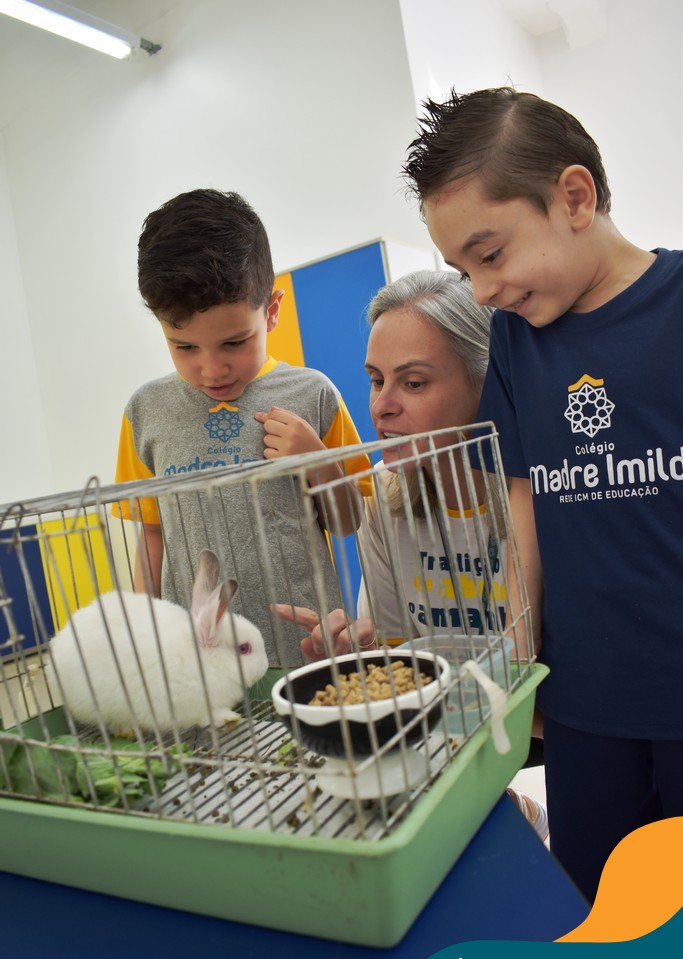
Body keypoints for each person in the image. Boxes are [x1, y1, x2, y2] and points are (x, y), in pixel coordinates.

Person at [402, 85, 683, 902]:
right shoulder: (516, 343)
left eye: (489, 255)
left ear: (574, 197)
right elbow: (523, 511)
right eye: (462, 271)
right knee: (601, 907)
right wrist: (515, 663)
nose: (481, 290)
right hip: (584, 710)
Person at [276, 269, 548, 842]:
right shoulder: (383, 497)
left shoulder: (538, 498)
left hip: (539, 733)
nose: (382, 407)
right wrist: (357, 657)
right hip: (448, 737)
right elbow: (401, 659)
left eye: (415, 382)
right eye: (376, 380)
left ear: (487, 383)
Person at [114, 188, 370, 667]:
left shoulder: (314, 394)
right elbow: (151, 536)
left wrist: (316, 460)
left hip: (306, 647)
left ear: (271, 311)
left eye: (234, 342)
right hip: (196, 657)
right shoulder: (145, 411)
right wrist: (142, 635)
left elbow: (348, 521)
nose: (212, 369)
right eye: (185, 347)